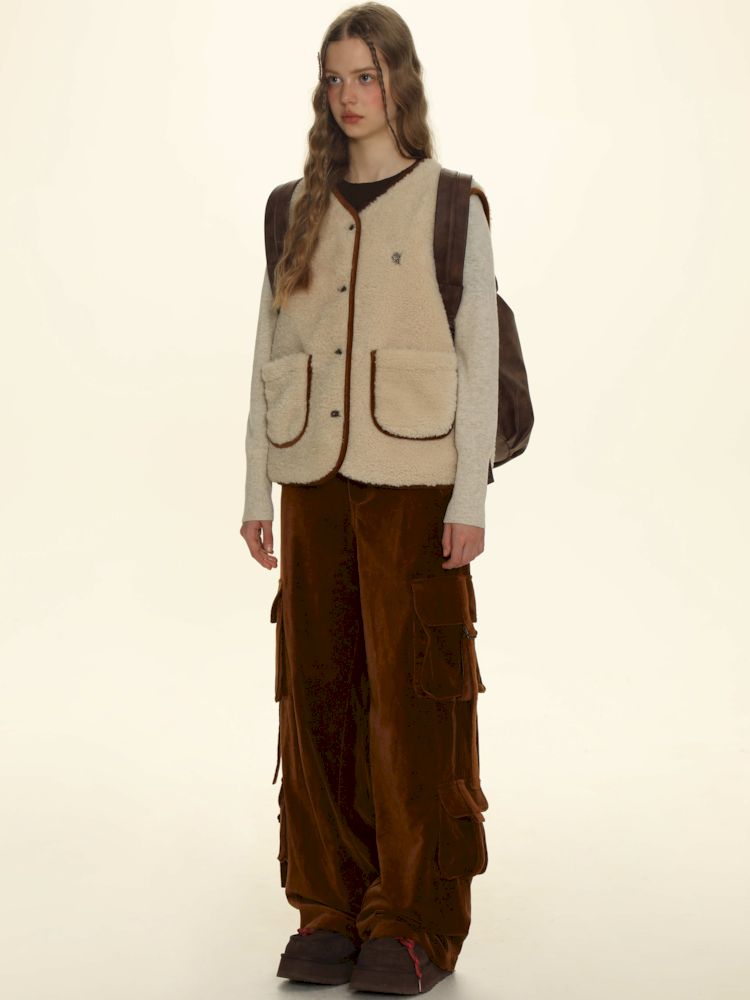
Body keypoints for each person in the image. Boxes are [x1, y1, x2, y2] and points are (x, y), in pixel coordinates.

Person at [239, 3, 499, 994]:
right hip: (311, 477)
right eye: (336, 78)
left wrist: (469, 497)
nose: (351, 96)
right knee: (317, 694)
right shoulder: (291, 208)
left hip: (415, 482)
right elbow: (266, 350)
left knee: (414, 699)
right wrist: (257, 484)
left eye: (368, 76)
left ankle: (415, 917)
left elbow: (478, 358)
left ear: (400, 83)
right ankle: (329, 906)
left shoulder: (452, 204)